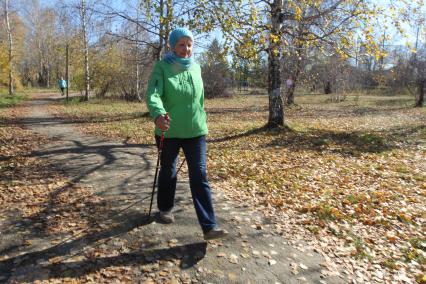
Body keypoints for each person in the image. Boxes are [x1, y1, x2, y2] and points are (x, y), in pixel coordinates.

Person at [145, 27, 228, 241]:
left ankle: (209, 226)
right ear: (172, 46)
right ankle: (165, 209)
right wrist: (158, 115)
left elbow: (199, 100)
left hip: (195, 131)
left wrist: (202, 118)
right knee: (169, 171)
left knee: (199, 174)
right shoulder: (162, 67)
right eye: (181, 45)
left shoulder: (196, 68)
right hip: (169, 129)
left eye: (189, 44)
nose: (186, 49)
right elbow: (153, 94)